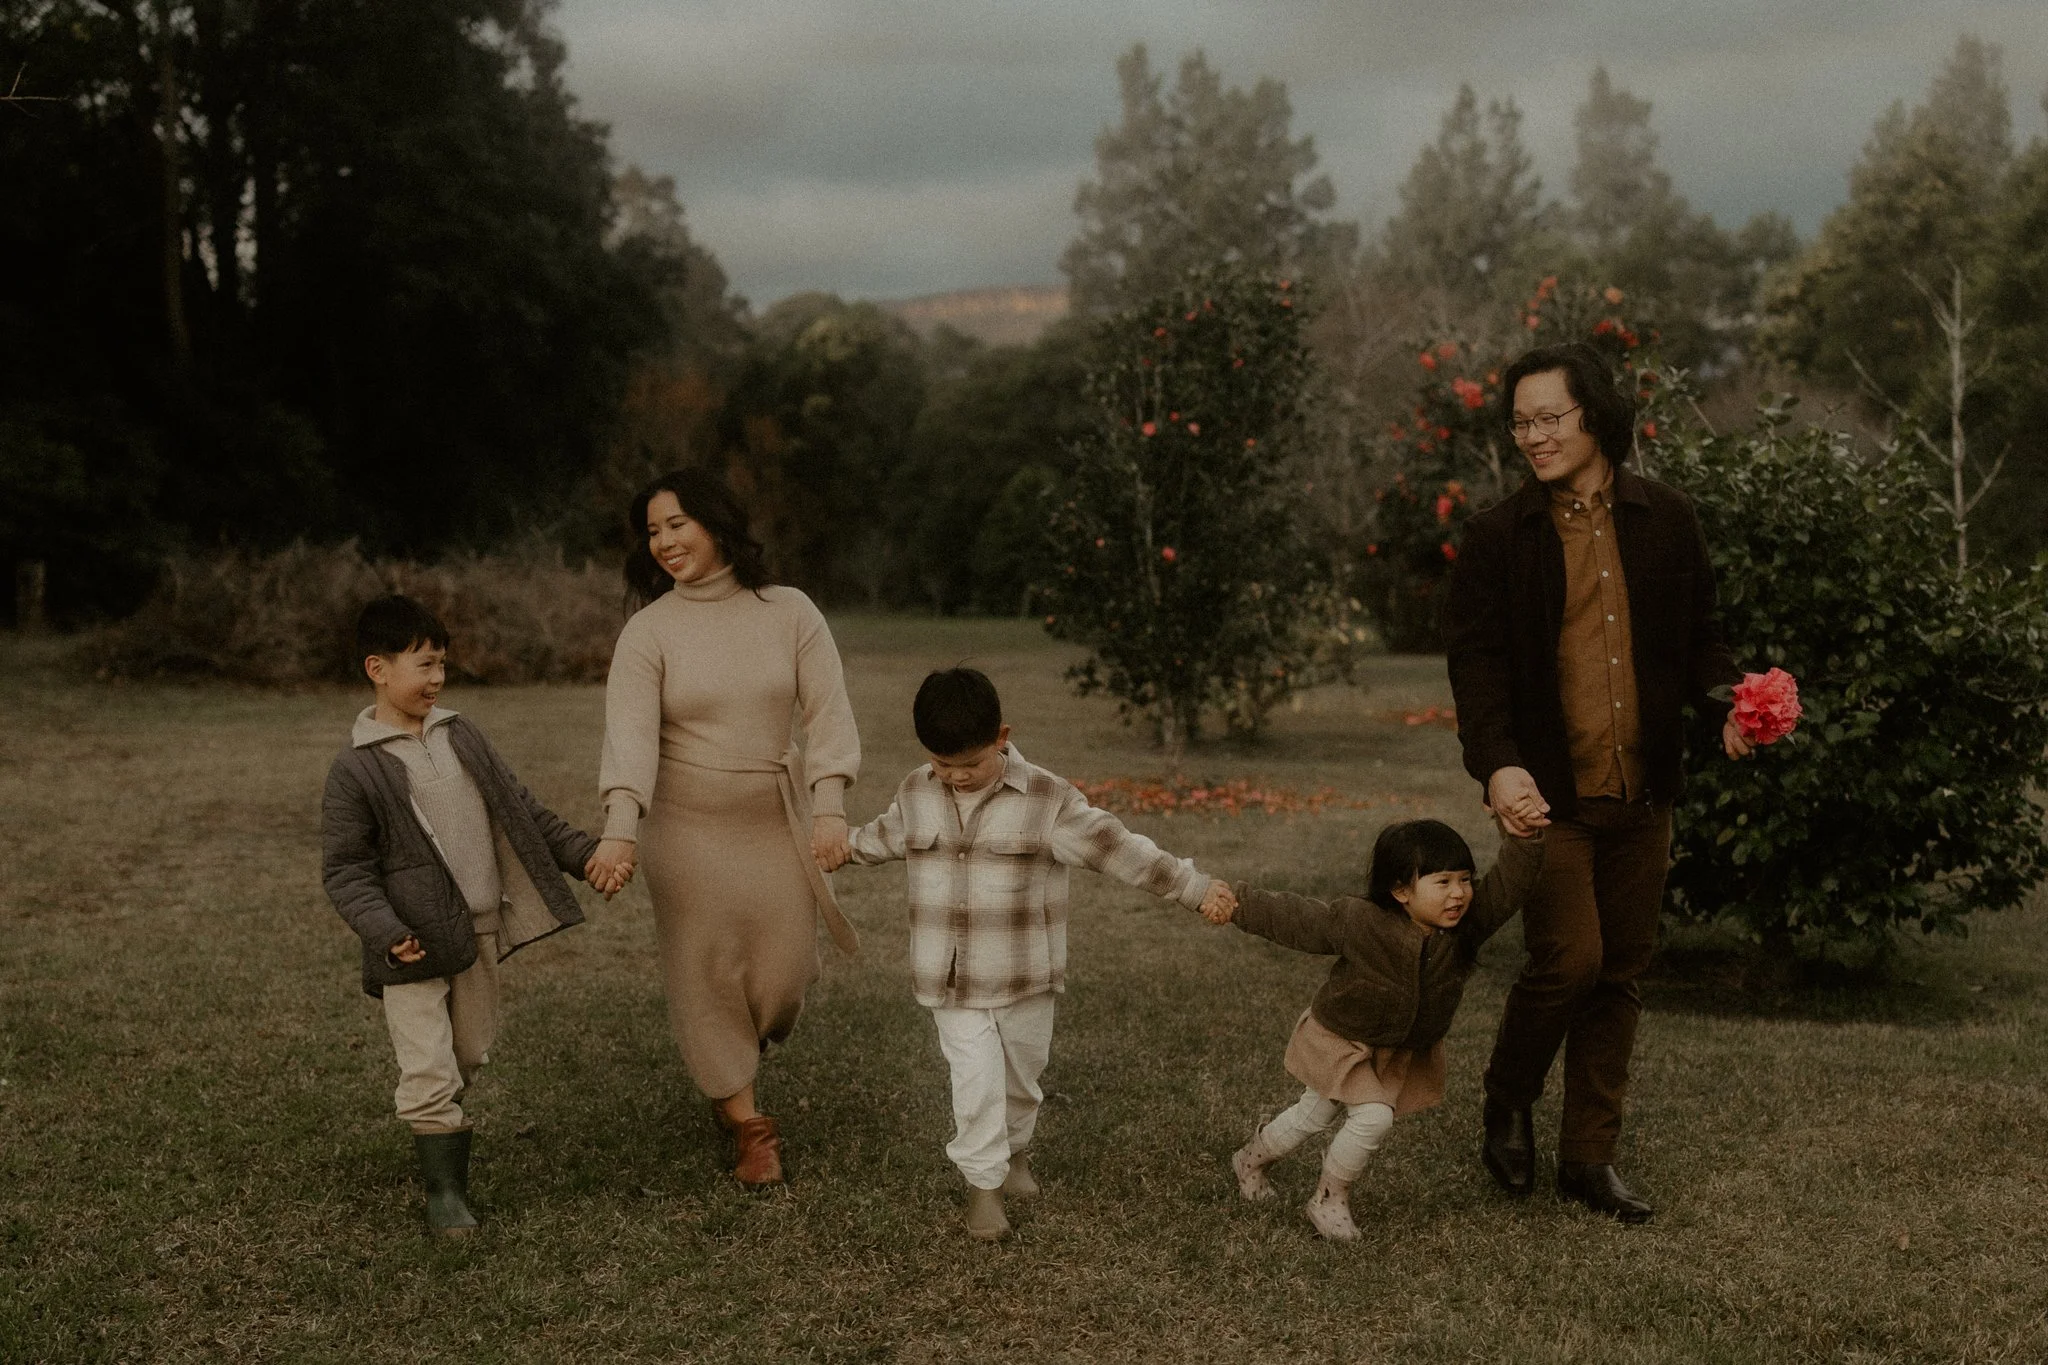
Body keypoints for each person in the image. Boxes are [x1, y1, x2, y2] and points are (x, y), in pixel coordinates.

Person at [1443, 341, 1749, 1223]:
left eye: (1549, 418)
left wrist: (1729, 699)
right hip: (1550, 796)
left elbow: (1702, 638)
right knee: (1568, 959)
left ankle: (1589, 1157)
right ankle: (1507, 1093)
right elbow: (1478, 663)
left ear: (1595, 417)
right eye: (1520, 422)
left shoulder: (1669, 518)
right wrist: (1498, 762)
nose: (1532, 436)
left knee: (1619, 972)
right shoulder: (1502, 536)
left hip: (1643, 791)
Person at [823, 668, 1235, 1241]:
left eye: (969, 764)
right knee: (975, 1080)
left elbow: (1118, 849)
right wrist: (843, 849)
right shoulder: (916, 790)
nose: (955, 777)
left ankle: (1017, 1157)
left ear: (1002, 737)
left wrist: (1192, 887)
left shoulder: (1048, 801)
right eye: (943, 765)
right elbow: (889, 834)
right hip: (949, 979)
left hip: (1024, 978)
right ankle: (982, 1188)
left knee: (1021, 1078)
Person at [588, 469, 860, 1188]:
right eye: (652, 532)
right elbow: (629, 739)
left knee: (783, 974)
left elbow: (827, 712)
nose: (665, 542)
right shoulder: (648, 632)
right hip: (685, 828)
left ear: (715, 522)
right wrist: (620, 828)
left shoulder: (790, 610)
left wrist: (829, 803)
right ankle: (746, 1121)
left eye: (677, 523)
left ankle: (737, 1056)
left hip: (774, 816)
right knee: (706, 972)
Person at [321, 595, 607, 1237]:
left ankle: (438, 1128)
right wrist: (387, 932)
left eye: (442, 665)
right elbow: (345, 870)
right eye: (423, 666)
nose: (437, 679)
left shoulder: (462, 735)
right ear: (378, 668)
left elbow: (523, 810)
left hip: (476, 930)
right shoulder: (357, 768)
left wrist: (585, 856)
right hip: (410, 945)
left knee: (467, 1054)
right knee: (428, 1064)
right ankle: (446, 1197)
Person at [1217, 819, 1542, 1240]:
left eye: (1465, 880)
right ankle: (1329, 1199)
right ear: (1401, 891)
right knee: (1373, 1118)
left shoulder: (1465, 930)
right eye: (1442, 882)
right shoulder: (1360, 921)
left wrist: (1528, 837)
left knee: (1311, 1114)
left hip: (1389, 1048)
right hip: (1338, 1036)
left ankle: (1249, 1160)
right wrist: (1236, 903)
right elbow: (1296, 918)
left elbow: (1509, 885)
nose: (1459, 893)